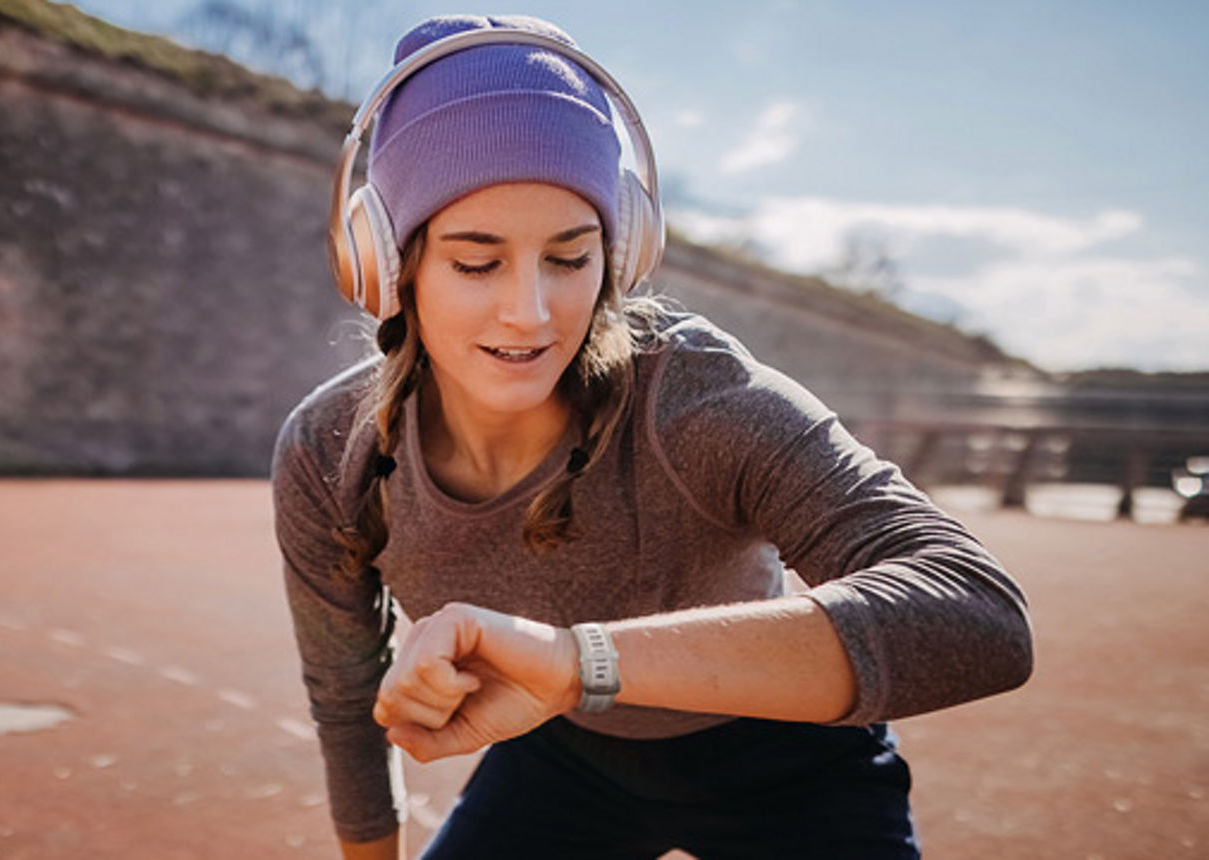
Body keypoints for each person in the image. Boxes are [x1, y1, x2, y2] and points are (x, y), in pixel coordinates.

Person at [272, 14, 1033, 860]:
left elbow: (980, 615)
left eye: (570, 257)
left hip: (792, 760)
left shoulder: (696, 399)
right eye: (476, 262)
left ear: (621, 251)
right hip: (565, 757)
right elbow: (346, 698)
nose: (530, 312)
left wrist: (577, 661)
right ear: (386, 265)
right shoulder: (328, 453)